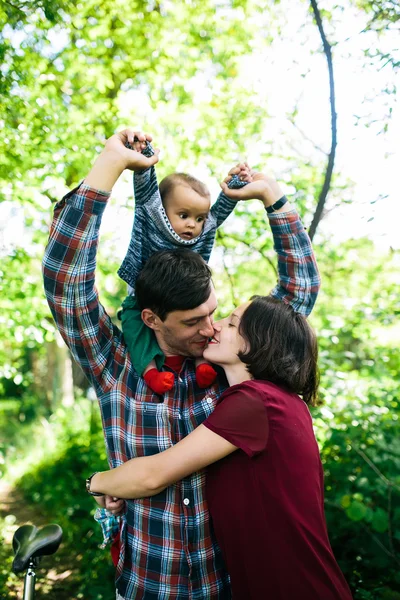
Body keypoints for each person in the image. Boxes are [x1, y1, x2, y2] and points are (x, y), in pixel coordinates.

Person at [43, 128, 321, 600]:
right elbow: (65, 282)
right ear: (151, 318)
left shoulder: (229, 366)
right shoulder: (114, 365)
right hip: (150, 583)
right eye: (194, 321)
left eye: (215, 312)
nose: (212, 328)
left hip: (228, 583)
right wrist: (109, 165)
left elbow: (298, 297)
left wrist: (272, 197)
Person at [87, 295, 353, 600]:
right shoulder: (278, 401)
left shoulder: (256, 403)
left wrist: (97, 482)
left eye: (231, 323)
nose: (214, 327)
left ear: (258, 342)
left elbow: (153, 475)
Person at [117, 136, 246, 395]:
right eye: (184, 215)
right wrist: (143, 160)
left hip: (189, 295)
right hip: (144, 296)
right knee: (133, 328)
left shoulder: (201, 233)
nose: (192, 225)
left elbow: (218, 213)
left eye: (199, 218)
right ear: (164, 210)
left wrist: (234, 187)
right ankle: (150, 370)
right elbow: (144, 195)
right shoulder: (153, 219)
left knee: (204, 328)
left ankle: (201, 364)